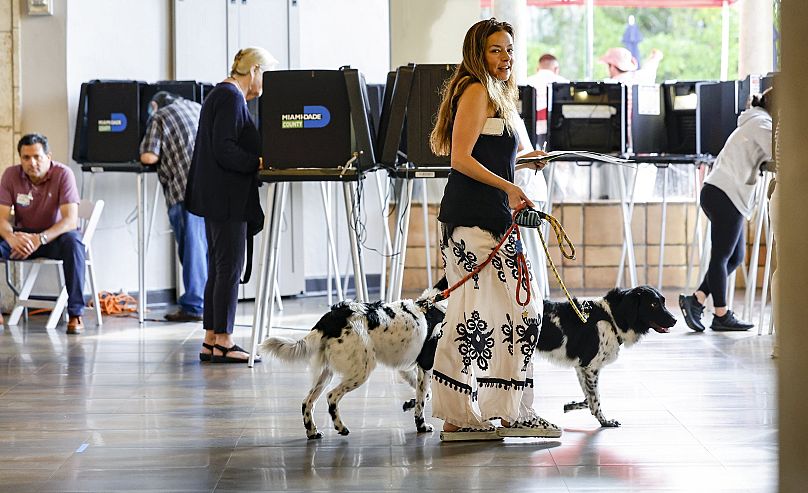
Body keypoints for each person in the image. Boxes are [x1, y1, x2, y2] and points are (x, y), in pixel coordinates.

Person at [429, 18, 561, 441]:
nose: (505, 58)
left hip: (482, 217)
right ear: (477, 53)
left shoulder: (491, 91)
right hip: (475, 220)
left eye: (509, 49)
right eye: (495, 50)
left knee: (477, 317)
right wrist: (511, 186)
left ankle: (469, 414)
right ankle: (507, 413)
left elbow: (483, 157)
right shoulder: (476, 89)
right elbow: (461, 160)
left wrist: (521, 164)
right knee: (513, 314)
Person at [185, 47, 277, 363]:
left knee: (219, 266)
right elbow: (225, 149)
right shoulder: (230, 97)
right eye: (264, 74)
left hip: (217, 196)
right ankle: (224, 339)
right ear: (253, 71)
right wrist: (259, 161)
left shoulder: (220, 95)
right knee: (229, 267)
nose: (264, 82)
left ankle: (212, 338)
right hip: (227, 197)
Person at [679, 88, 774, 332]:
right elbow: (778, 151)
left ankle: (697, 299)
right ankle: (720, 314)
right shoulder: (762, 124)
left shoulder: (752, 120)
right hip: (725, 193)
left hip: (719, 191)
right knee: (721, 257)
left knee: (734, 257)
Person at [0, 134, 86, 334]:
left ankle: (75, 314)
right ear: (20, 158)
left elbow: (70, 220)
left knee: (74, 243)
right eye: (26, 158)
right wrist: (11, 238)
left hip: (54, 237)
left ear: (48, 156)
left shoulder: (63, 174)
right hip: (22, 238)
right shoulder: (11, 175)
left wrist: (41, 239)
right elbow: (2, 218)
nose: (32, 163)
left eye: (37, 157)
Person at [139, 91, 207, 323]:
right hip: (212, 189)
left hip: (184, 190)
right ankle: (210, 303)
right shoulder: (198, 108)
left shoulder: (160, 116)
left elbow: (149, 156)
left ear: (155, 104)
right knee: (207, 249)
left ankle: (194, 305)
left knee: (192, 251)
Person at [525, 53, 568, 146]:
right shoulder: (563, 82)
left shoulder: (527, 82)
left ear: (537, 69)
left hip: (530, 128)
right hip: (557, 127)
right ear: (556, 69)